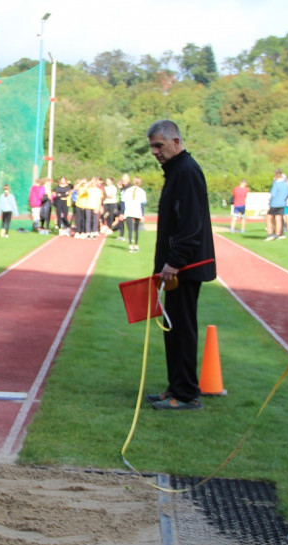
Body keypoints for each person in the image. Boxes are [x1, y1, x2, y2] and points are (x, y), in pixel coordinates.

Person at [145, 120, 216, 410]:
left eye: (159, 145)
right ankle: (176, 387)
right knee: (173, 328)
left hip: (184, 268)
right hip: (176, 267)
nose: (155, 152)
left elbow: (190, 223)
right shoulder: (177, 172)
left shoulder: (186, 171)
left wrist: (174, 263)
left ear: (176, 142)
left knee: (182, 329)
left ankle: (186, 394)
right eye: (151, 147)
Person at [120, 177, 146, 253]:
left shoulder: (127, 191)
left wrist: (122, 213)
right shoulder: (141, 191)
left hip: (129, 211)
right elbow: (142, 204)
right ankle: (136, 245)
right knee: (136, 229)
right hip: (137, 211)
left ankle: (130, 245)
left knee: (130, 229)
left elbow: (123, 203)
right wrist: (143, 215)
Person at [264, 169, 288, 241]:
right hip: (282, 203)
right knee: (279, 218)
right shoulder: (286, 184)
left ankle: (270, 234)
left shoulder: (276, 184)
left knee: (268, 218)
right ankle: (278, 234)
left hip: (274, 203)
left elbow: (273, 194)